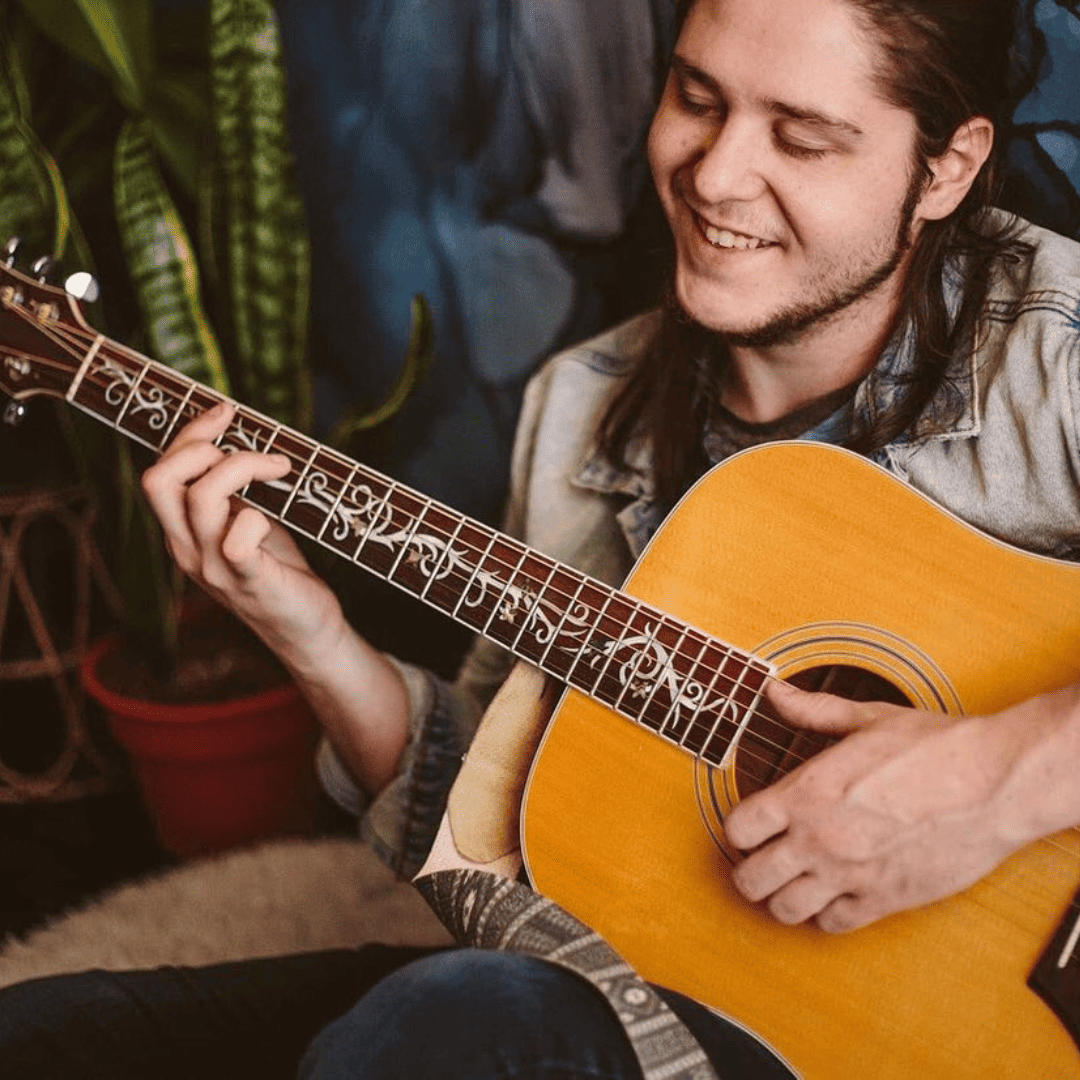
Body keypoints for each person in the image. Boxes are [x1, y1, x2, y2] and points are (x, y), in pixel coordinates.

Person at [3, 0, 1080, 1075]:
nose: (713, 176)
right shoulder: (581, 408)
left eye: (802, 137)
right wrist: (309, 634)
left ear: (945, 167)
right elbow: (495, 829)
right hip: (634, 986)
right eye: (695, 99)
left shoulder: (1058, 355)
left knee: (454, 1022)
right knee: (57, 1035)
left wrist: (988, 782)